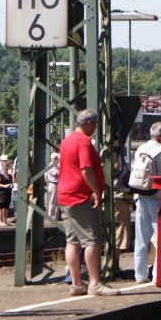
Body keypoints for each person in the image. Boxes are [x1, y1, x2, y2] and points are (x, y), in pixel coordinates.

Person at [57, 109, 120, 296]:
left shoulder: (66, 140)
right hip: (79, 197)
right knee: (92, 240)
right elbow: (86, 169)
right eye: (95, 125)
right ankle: (95, 283)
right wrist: (97, 192)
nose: (95, 128)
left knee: (72, 241)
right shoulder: (83, 141)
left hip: (65, 195)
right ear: (89, 124)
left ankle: (77, 284)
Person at [133, 121, 161, 283]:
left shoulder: (140, 149)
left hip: (141, 196)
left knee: (141, 239)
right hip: (160, 199)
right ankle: (159, 274)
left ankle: (140, 275)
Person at [0, 155, 13, 226]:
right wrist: (4, 186)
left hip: (7, 192)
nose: (7, 167)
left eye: (7, 165)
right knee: (0, 206)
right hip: (0, 191)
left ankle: (4, 220)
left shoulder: (9, 175)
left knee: (6, 206)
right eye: (5, 163)